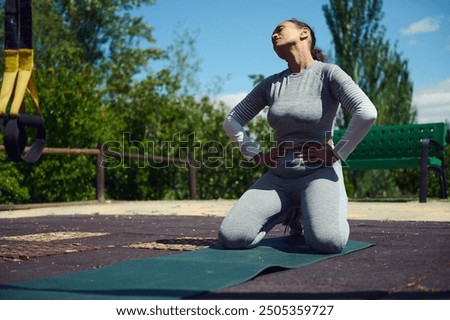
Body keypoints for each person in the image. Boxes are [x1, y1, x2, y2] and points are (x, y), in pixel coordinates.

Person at [218, 19, 377, 254]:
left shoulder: (328, 73)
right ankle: (291, 211)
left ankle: (317, 207)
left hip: (318, 174)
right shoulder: (271, 84)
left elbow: (367, 112)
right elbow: (231, 120)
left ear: (304, 34)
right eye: (272, 33)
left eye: (279, 29)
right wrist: (255, 154)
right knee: (231, 236)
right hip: (279, 178)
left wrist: (336, 153)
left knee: (327, 242)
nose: (273, 35)